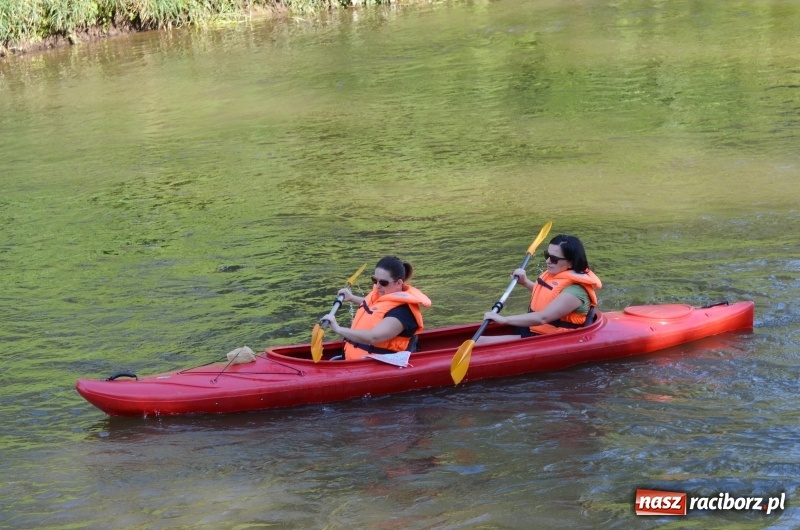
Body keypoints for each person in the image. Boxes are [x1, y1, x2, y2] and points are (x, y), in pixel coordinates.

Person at [478, 234, 601, 343]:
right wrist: (525, 282)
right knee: (477, 339)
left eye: (554, 259)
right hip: (535, 329)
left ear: (571, 262)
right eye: (547, 255)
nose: (548, 261)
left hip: (551, 338)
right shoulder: (557, 273)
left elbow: (543, 317)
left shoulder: (576, 290)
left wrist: (503, 320)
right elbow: (550, 295)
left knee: (479, 342)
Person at [321, 256, 432, 360]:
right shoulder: (385, 294)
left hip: (378, 366)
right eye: (375, 280)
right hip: (355, 361)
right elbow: (375, 308)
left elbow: (373, 337)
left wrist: (338, 329)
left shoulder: (403, 313)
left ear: (398, 283)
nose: (377, 286)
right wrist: (352, 298)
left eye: (383, 282)